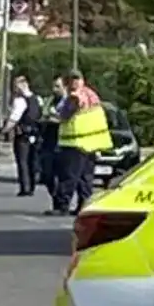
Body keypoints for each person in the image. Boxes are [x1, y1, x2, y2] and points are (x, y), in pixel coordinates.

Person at [49, 69, 112, 216]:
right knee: (85, 178)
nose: (73, 83)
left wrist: (55, 116)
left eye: (74, 80)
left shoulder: (75, 96)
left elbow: (65, 115)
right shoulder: (92, 95)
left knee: (69, 176)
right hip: (91, 142)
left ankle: (62, 206)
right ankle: (84, 206)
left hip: (75, 142)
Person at [2, 75, 42, 197]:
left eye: (16, 85)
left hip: (22, 134)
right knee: (32, 161)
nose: (15, 89)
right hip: (35, 134)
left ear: (22, 85)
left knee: (22, 161)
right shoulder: (38, 99)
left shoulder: (19, 100)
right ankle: (32, 187)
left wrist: (4, 131)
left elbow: (14, 118)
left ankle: (25, 187)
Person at [39, 76, 67, 203]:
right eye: (53, 86)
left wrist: (54, 119)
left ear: (65, 87)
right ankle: (55, 195)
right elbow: (43, 114)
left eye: (57, 86)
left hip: (61, 141)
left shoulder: (68, 102)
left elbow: (66, 120)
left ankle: (59, 202)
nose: (54, 89)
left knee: (61, 175)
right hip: (47, 141)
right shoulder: (50, 100)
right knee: (46, 174)